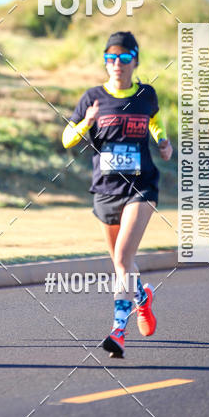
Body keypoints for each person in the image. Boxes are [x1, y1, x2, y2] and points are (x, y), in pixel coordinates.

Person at [62, 31, 172, 357]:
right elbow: (68, 138)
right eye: (111, 58)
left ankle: (118, 331)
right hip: (106, 190)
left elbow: (155, 122)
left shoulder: (147, 95)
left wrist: (163, 141)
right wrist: (88, 121)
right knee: (121, 264)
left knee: (123, 259)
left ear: (135, 61)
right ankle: (142, 298)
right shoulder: (92, 97)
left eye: (124, 58)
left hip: (142, 186)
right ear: (105, 62)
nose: (117, 64)